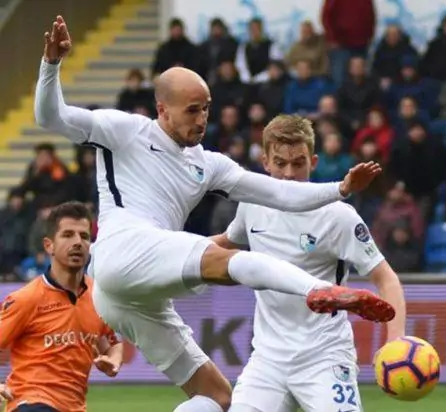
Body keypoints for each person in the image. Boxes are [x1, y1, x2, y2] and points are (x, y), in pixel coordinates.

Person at [35, 16, 395, 412]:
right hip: (121, 251)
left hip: (130, 298)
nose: (202, 118)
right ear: (162, 110)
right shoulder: (125, 130)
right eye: (192, 110)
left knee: (218, 399)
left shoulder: (208, 165)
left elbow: (281, 192)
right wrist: (51, 66)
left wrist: (340, 189)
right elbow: (52, 118)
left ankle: (314, 291)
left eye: (206, 108)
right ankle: (316, 290)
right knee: (230, 261)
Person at [211, 117, 406, 412]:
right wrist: (167, 247)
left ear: (313, 162)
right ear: (265, 162)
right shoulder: (252, 206)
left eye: (298, 163)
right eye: (280, 163)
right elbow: (225, 242)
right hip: (268, 360)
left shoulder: (338, 216)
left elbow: (386, 279)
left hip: (325, 358)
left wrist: (396, 342)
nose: (289, 174)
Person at [0, 202, 123, 412]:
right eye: (67, 235)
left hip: (74, 406)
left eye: (84, 236)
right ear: (49, 245)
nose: (77, 242)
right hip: (30, 402)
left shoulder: (99, 297)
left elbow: (113, 343)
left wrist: (113, 361)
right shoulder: (26, 299)